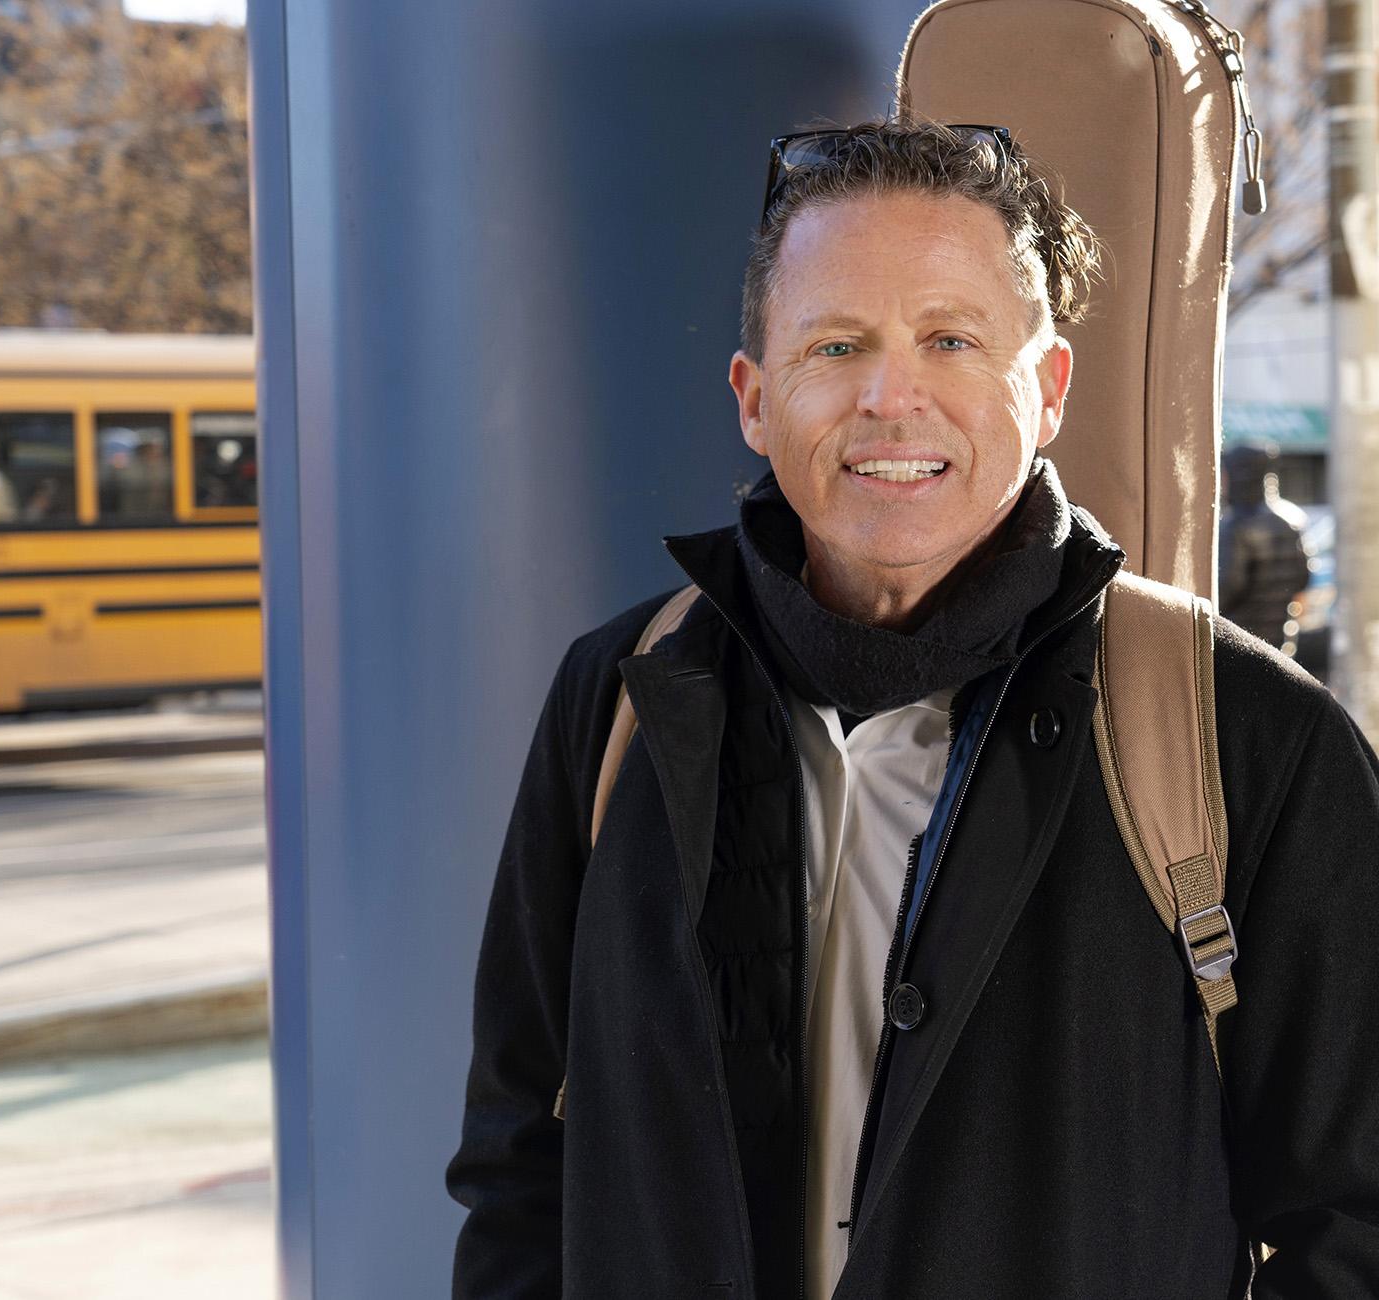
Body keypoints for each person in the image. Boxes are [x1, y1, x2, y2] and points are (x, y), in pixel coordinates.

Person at [446, 119, 1379, 1299]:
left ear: (1044, 389)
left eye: (951, 339)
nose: (892, 396)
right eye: (836, 344)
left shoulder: (1247, 737)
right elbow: (517, 1160)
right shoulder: (620, 694)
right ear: (754, 395)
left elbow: (1354, 1224)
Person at [1218, 441, 1311, 656]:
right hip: (1282, 644)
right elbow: (1303, 579)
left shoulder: (1235, 525)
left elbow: (1228, 589)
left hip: (1240, 645)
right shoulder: (1292, 518)